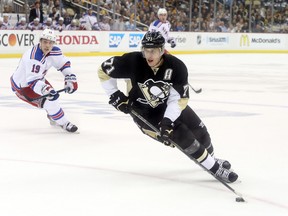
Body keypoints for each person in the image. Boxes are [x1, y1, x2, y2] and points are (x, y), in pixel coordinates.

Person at [98, 31, 238, 183]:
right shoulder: (133, 61)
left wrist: (167, 120)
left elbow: (177, 99)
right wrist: (115, 95)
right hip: (145, 114)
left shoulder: (176, 66)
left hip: (169, 106)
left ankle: (211, 160)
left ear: (162, 50)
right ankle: (215, 169)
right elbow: (103, 70)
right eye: (146, 50)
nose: (149, 55)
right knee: (183, 136)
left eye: (154, 51)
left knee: (201, 132)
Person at [10, 29, 78, 133]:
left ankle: (53, 116)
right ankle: (64, 123)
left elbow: (63, 64)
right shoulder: (34, 57)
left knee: (53, 99)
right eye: (45, 42)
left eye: (50, 42)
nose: (47, 45)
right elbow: (32, 82)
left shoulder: (54, 51)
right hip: (22, 87)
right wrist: (46, 90)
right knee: (50, 102)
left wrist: (69, 77)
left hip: (37, 80)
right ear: (40, 41)